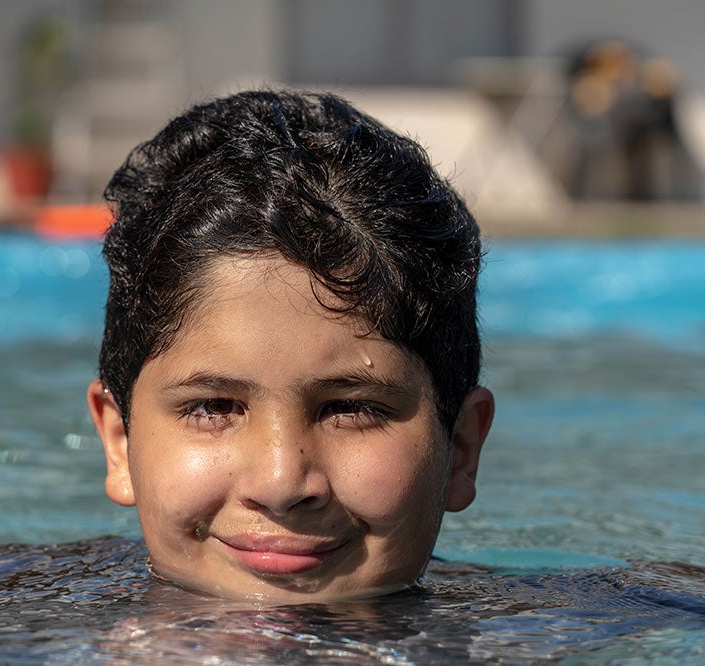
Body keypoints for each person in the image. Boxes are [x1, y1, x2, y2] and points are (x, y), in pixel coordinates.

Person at [86, 89, 495, 602]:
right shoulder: (12, 627)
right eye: (212, 407)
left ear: (460, 450)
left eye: (351, 408)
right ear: (120, 441)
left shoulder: (549, 641)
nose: (281, 483)